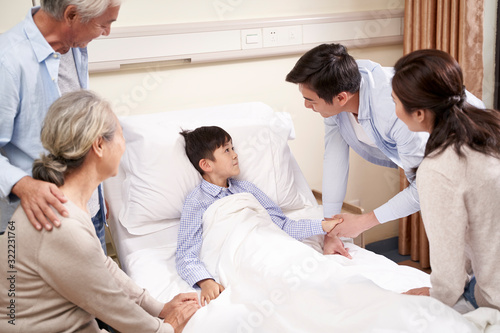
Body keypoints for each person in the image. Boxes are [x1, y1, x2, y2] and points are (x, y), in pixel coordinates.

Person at [0, 90, 200, 332]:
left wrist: (158, 308)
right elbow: (108, 302)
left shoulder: (63, 201)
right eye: (120, 135)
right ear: (98, 145)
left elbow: (100, 265)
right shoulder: (62, 222)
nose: (124, 145)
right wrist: (166, 328)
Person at [285, 43, 483, 254]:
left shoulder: (398, 112)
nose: (306, 106)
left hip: (474, 155)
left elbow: (422, 189)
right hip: (450, 168)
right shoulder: (338, 88)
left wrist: (363, 222)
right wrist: (330, 232)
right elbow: (334, 160)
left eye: (310, 100)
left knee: (476, 234)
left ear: (341, 98)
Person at [176, 126, 344, 306]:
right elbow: (185, 254)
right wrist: (205, 281)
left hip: (269, 242)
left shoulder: (247, 189)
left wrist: (322, 226)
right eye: (226, 150)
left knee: (309, 273)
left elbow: (282, 226)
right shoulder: (196, 201)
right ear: (206, 165)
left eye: (233, 148)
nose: (235, 155)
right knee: (272, 281)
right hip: (239, 254)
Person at [0, 0, 120, 252]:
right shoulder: (7, 62)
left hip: (88, 211)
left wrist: (96, 192)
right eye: (103, 24)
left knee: (97, 291)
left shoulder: (73, 47)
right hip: (44, 221)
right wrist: (22, 184)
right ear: (72, 15)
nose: (107, 32)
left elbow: (81, 133)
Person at [392, 49, 500, 311]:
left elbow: (449, 277)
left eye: (394, 101)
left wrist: (436, 297)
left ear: (419, 113)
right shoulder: (491, 128)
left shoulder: (439, 168)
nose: (394, 110)